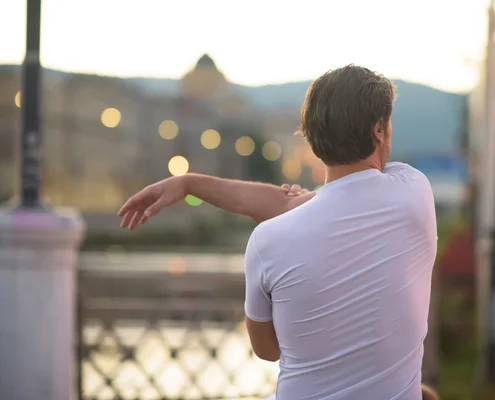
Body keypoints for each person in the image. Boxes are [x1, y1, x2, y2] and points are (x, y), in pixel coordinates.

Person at [118, 65, 438, 399]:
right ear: (379, 131)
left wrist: (190, 183)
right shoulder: (414, 192)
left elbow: (268, 350)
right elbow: (317, 202)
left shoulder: (266, 240)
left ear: (312, 140)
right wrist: (190, 184)